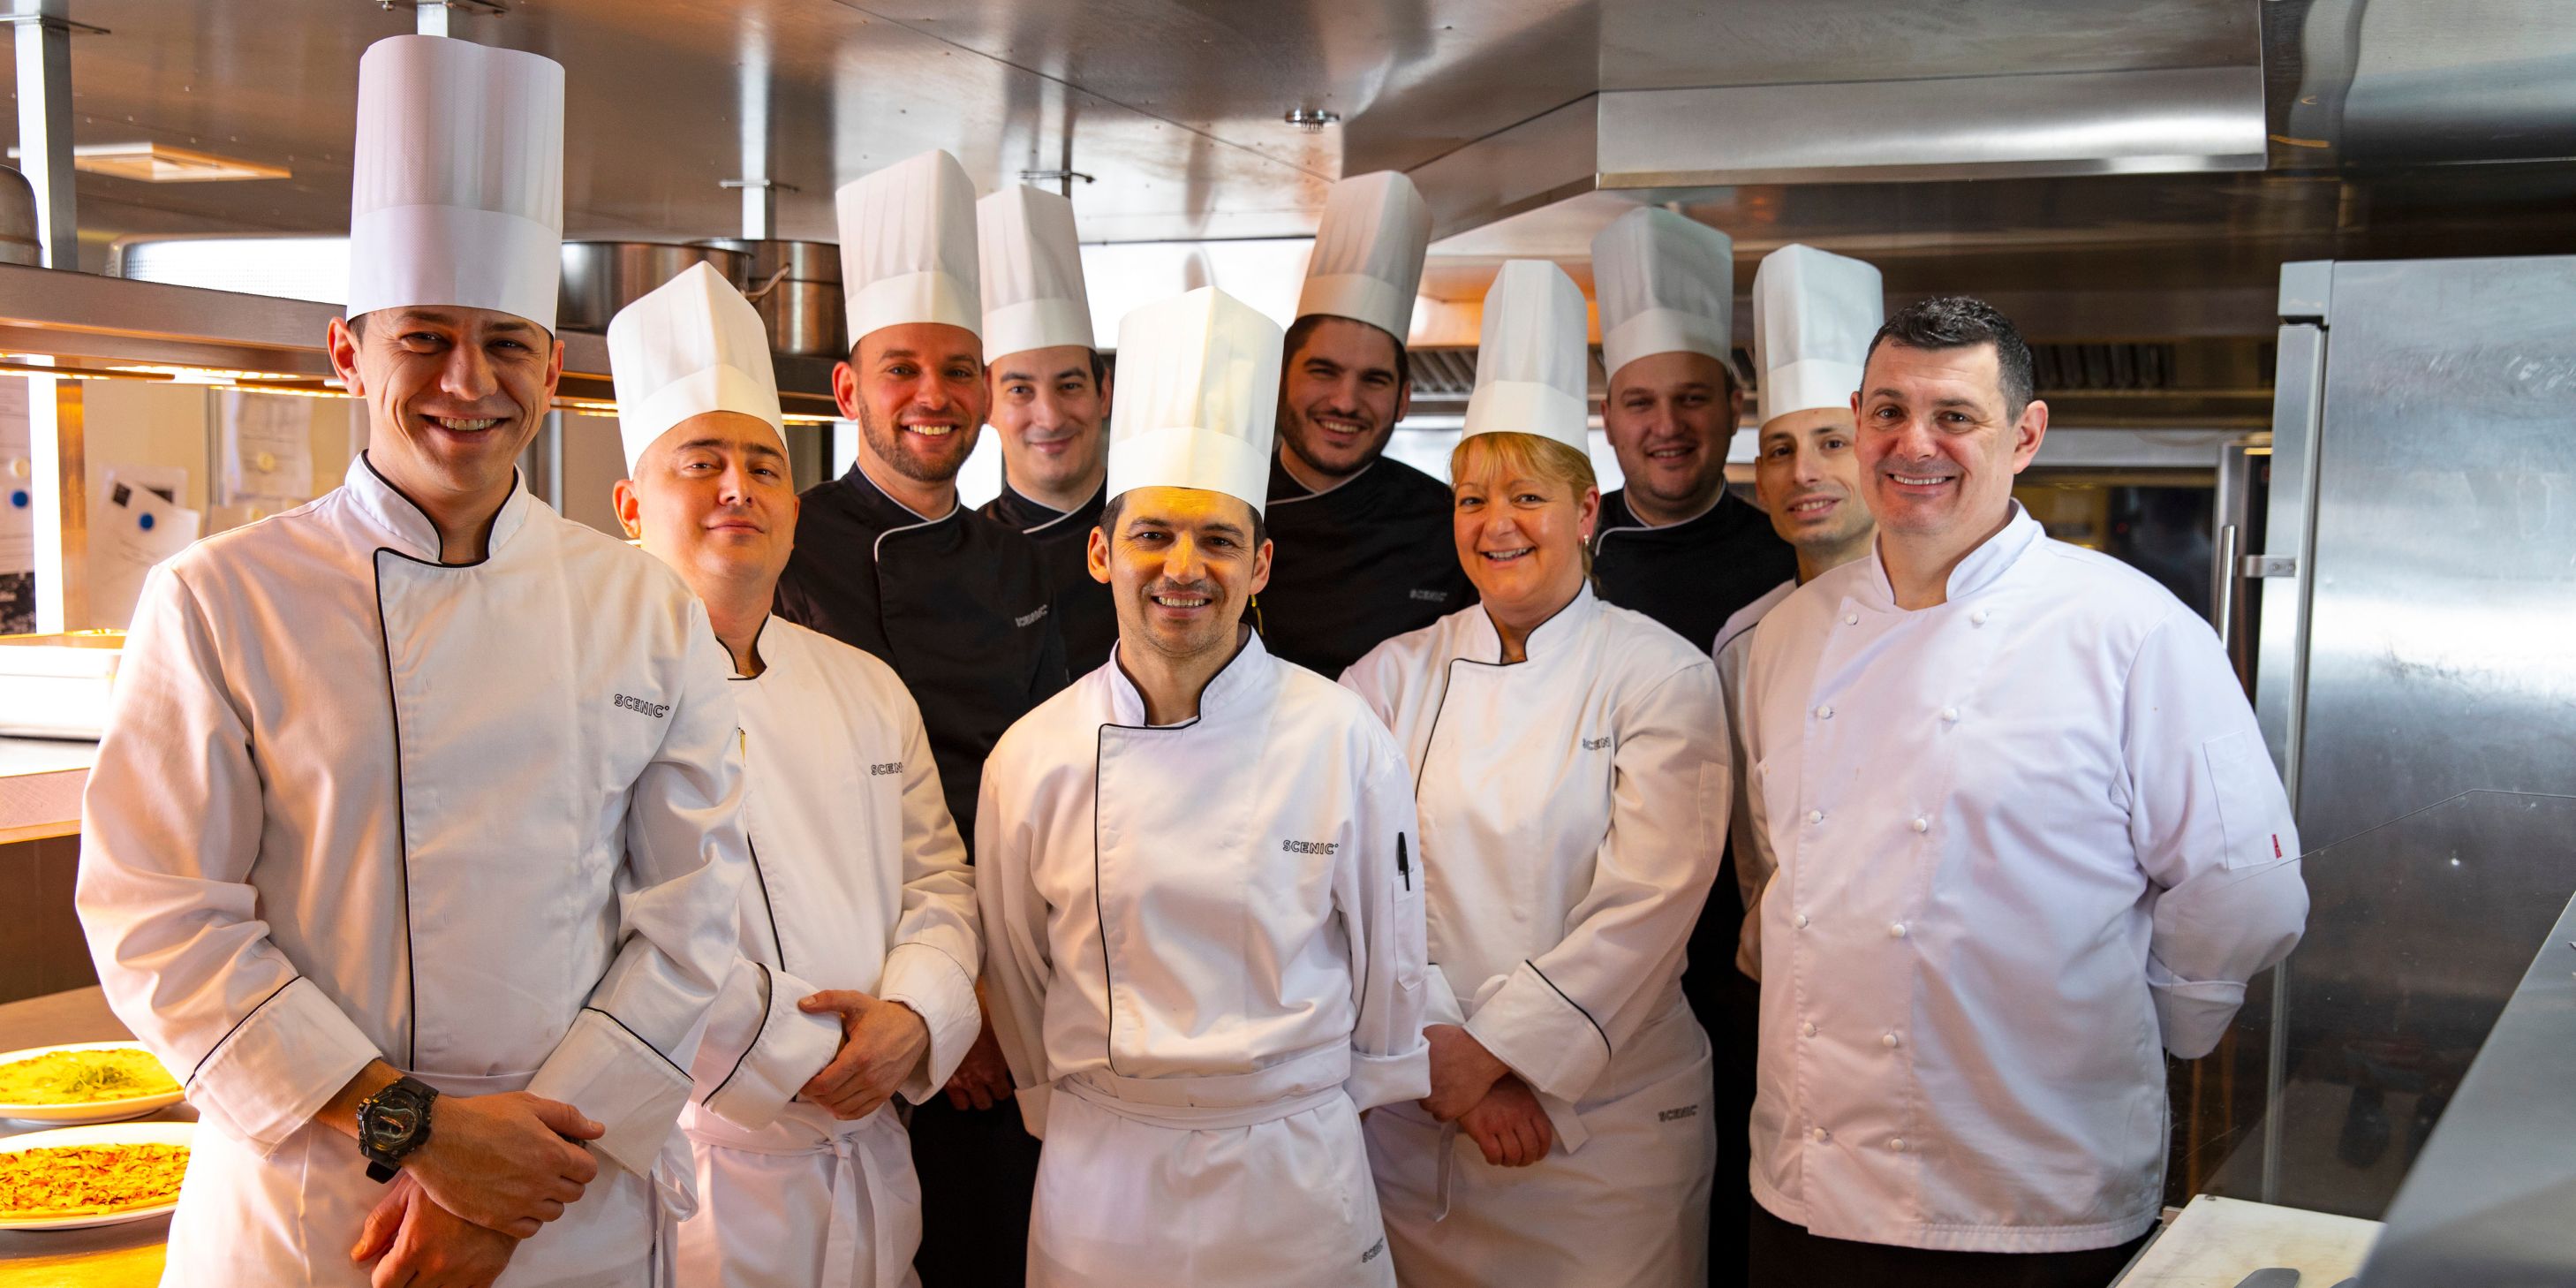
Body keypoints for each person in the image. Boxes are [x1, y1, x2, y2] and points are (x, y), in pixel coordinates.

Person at [77, 35, 746, 1287]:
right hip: (317, 1213)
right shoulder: (220, 601)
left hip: (569, 1204)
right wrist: (423, 1136)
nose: (464, 382)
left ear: (552, 369)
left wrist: (504, 1187)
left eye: (503, 343)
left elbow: (693, 917)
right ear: (349, 351)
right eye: (423, 339)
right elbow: (161, 922)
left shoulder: (643, 607)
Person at [1738, 296, 2310, 1286]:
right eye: (1887, 411)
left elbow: (2242, 888)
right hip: (1805, 1186)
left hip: (2031, 1200)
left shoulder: (2131, 630)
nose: (1914, 443)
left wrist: (2135, 1033)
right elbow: (1788, 863)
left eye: (1954, 416)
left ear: (2026, 434)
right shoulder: (1787, 636)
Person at [977, 286, 1430, 1288]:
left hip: (1294, 1175)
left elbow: (1392, 969)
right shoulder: (1032, 757)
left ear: (1260, 564)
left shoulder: (1342, 737)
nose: (1184, 568)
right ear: (1101, 553)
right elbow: (1014, 974)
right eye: (1152, 536)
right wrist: (1067, 1104)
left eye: (1218, 541)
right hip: (1102, 1176)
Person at [1343, 261, 1726, 1287]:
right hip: (1425, 1116)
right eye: (1473, 497)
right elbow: (1354, 892)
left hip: (1604, 1135)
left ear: (1584, 507)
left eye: (1525, 494)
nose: (1495, 522)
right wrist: (1453, 1072)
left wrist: (1503, 1053)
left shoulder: (1660, 673)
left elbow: (1649, 904)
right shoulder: (1386, 678)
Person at [605, 263, 984, 1288]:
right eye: (703, 462)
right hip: (700, 1180)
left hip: (870, 1166)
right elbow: (599, 927)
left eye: (765, 466)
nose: (739, 488)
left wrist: (913, 1019)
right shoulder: (582, 692)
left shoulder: (861, 685)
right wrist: (801, 1060)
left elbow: (939, 884)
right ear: (633, 503)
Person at [771, 147, 1055, 1288]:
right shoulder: (783, 541)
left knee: (985, 1248)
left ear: (989, 389)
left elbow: (1028, 792)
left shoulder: (1019, 560)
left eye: (958, 369)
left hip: (992, 979)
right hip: (842, 993)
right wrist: (933, 1005)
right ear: (849, 392)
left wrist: (988, 996)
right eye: (902, 370)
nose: (932, 397)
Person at [1690, 242, 1885, 1282]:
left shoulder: (1962, 618)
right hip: (1794, 1029)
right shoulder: (1745, 641)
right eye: (1776, 448)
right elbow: (1754, 865)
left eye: (1829, 441)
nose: (1803, 471)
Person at [1260, 170, 1474, 677]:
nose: (1345, 401)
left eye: (1374, 380)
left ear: (1402, 400)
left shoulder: (1449, 527)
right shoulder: (1224, 511)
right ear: (1279, 378)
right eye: (1323, 371)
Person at [1588, 207, 1796, 654]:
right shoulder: (1565, 551)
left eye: (1692, 398)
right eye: (1640, 403)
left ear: (1734, 408)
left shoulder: (1791, 555)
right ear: (1608, 420)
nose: (1667, 425)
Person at [978, 184, 1117, 672]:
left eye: (1070, 385)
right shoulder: (965, 555)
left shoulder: (1155, 528)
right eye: (1020, 390)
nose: (1051, 417)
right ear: (984, 403)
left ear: (1104, 394)